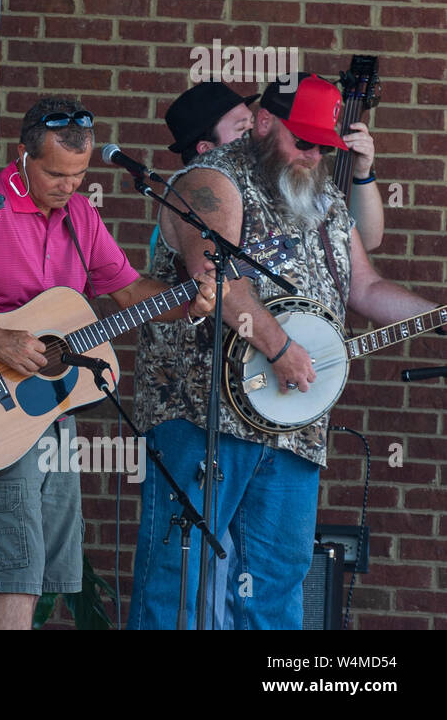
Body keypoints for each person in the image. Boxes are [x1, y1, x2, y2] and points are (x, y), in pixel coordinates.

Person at [129, 73, 437, 629]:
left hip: (294, 419)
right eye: (304, 141)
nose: (315, 155)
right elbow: (212, 277)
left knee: (275, 585)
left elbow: (364, 289)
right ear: (267, 122)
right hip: (206, 414)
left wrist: (441, 320)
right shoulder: (210, 180)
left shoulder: (320, 196)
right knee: (180, 584)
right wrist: (279, 348)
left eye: (325, 146)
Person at [0, 97, 218, 630]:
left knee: (47, 576)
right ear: (22, 156)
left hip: (51, 413)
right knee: (14, 575)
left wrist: (190, 300)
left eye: (79, 174)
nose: (68, 185)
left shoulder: (79, 215)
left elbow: (130, 290)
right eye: (55, 173)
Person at [164, 79, 383, 249]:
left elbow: (364, 243)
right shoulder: (203, 196)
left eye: (253, 122)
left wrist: (362, 173)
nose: (255, 135)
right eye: (243, 130)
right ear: (206, 150)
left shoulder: (284, 178)